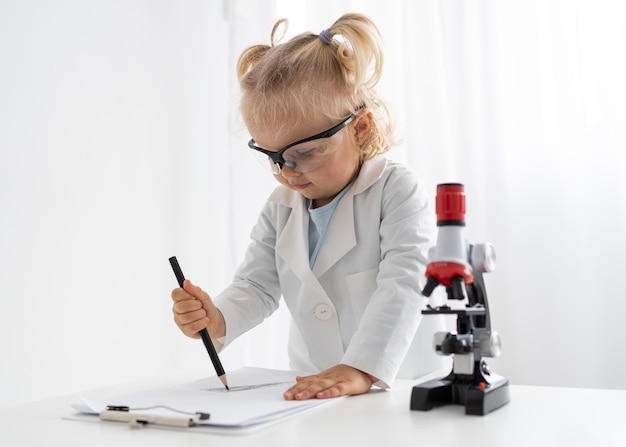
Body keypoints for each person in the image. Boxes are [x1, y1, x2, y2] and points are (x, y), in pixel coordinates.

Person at [171, 12, 446, 401]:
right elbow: (256, 285)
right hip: (314, 385)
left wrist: (363, 367)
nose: (285, 172)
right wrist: (216, 318)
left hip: (398, 386)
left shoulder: (397, 191)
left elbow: (403, 285)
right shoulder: (281, 207)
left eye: (303, 153)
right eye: (272, 156)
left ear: (359, 128)